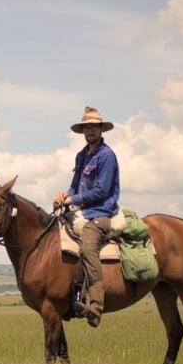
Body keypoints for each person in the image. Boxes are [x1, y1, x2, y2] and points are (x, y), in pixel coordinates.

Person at [54, 106, 120, 328]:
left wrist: (74, 200)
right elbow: (74, 188)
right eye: (86, 127)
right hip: (82, 211)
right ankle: (71, 297)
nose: (90, 130)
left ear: (101, 129)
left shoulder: (107, 156)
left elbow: (102, 190)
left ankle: (96, 306)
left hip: (103, 212)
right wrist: (64, 196)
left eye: (94, 126)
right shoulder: (82, 155)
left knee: (88, 246)